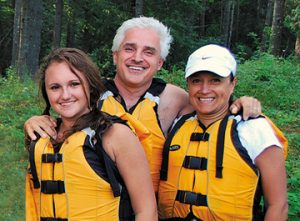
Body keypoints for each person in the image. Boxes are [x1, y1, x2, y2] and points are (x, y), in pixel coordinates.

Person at [24, 17, 262, 194]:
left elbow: (213, 105)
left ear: (160, 62)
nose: (137, 58)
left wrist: (242, 102)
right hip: (98, 205)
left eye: (149, 52)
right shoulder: (90, 93)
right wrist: (34, 120)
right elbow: (63, 110)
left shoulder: (176, 99)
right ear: (115, 55)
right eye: (129, 48)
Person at [158, 44, 288, 220]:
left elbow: (278, 206)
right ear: (188, 84)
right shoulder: (177, 125)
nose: (204, 89)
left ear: (232, 84)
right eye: (196, 80)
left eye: (215, 80)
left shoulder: (253, 129)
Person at [25, 48, 157, 221]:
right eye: (55, 87)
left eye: (74, 84)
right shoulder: (43, 134)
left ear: (90, 85)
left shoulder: (116, 135)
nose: (65, 95)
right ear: (46, 92)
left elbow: (147, 212)